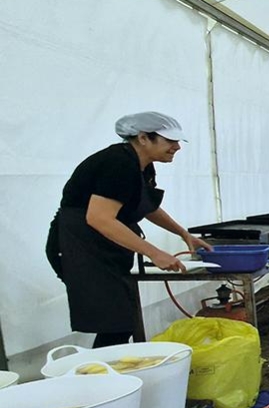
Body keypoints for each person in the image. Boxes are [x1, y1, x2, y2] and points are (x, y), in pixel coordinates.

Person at [46, 112, 212, 348]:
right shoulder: (117, 163)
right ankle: (101, 378)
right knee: (115, 322)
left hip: (102, 246)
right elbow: (99, 218)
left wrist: (183, 234)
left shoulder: (141, 166)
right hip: (79, 245)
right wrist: (153, 252)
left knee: (121, 319)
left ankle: (110, 375)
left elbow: (146, 207)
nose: (176, 147)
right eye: (170, 141)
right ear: (143, 138)